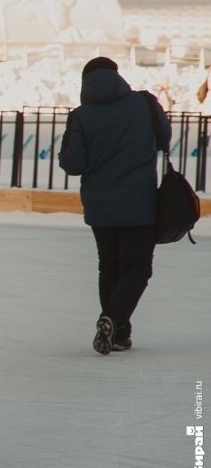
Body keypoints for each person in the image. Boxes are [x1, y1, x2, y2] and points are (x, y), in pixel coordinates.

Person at [58, 57, 170, 355]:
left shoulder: (80, 115)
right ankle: (114, 320)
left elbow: (72, 164)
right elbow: (164, 139)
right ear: (116, 75)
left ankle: (119, 333)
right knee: (137, 267)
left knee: (109, 265)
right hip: (140, 201)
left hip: (99, 204)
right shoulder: (144, 104)